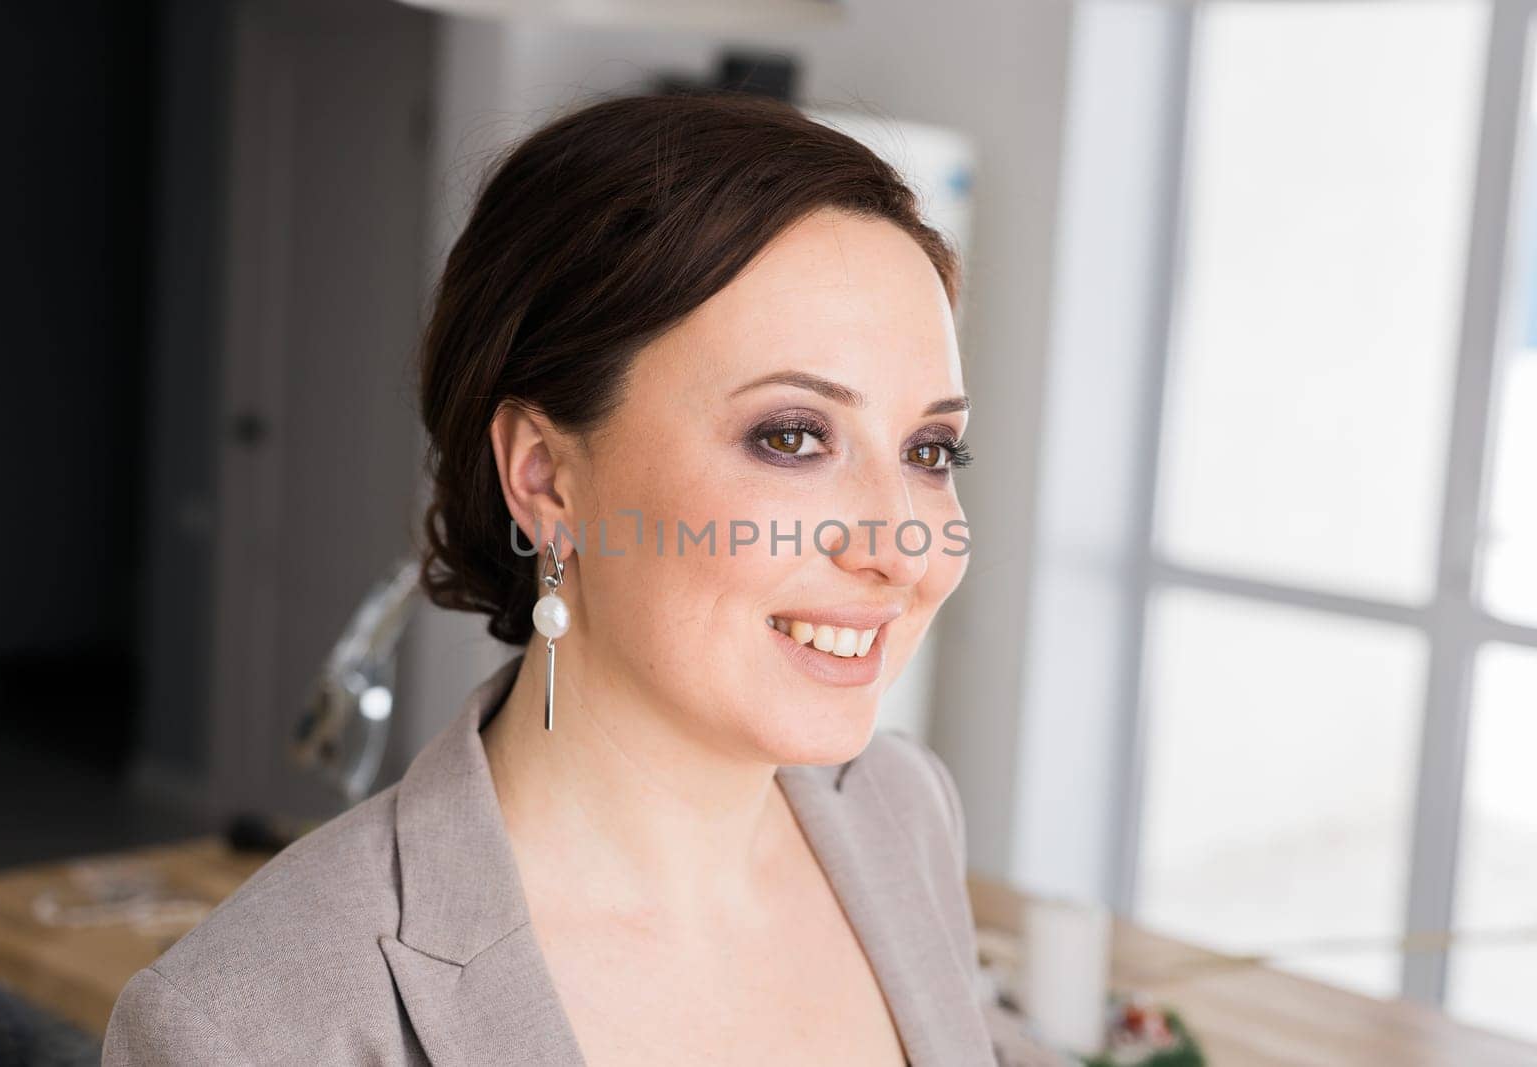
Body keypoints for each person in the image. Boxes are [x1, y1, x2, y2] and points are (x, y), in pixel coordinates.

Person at [103, 91, 1068, 1067]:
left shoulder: (898, 809)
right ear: (544, 474)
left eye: (932, 449)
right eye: (791, 436)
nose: (902, 549)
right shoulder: (250, 1023)